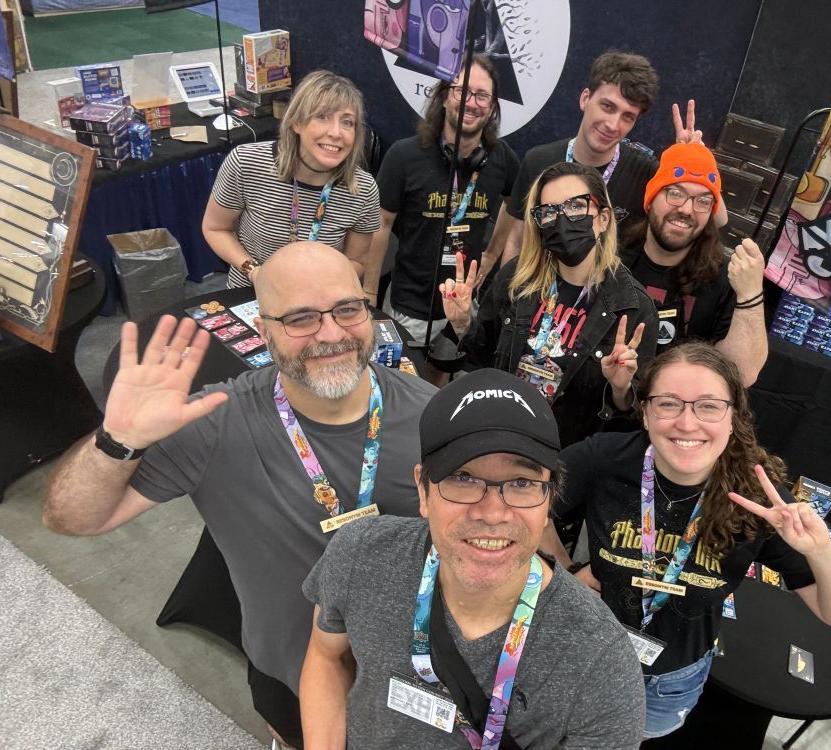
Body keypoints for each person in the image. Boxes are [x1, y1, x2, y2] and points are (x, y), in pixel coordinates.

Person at [42, 242, 436, 749]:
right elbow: (71, 518)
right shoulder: (214, 423)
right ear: (264, 332)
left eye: (347, 308)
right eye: (300, 318)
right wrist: (118, 439)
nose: (332, 333)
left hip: (415, 680)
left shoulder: (431, 412)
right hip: (287, 678)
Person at [299, 368, 646, 749]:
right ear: (422, 488)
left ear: (550, 499)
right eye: (463, 477)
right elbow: (326, 657)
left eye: (522, 483)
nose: (492, 513)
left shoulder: (601, 665)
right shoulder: (361, 554)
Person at [540, 342, 831, 740]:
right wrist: (563, 568)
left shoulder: (759, 498)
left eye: (709, 405)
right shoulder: (603, 459)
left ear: (733, 418)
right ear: (644, 412)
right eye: (668, 404)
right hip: (585, 653)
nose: (688, 423)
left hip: (670, 682)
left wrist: (820, 552)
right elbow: (526, 510)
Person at [440, 161, 658, 450]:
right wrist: (463, 322)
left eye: (576, 207)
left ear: (603, 218)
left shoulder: (633, 308)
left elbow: (632, 421)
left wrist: (620, 389)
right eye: (549, 211)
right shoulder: (517, 278)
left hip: (568, 454)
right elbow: (483, 358)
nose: (562, 219)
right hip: (502, 433)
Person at [363, 55, 519, 346]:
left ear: (493, 107)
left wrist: (493, 254)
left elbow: (514, 203)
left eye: (483, 95)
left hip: (462, 307)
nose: (472, 103)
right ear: (445, 97)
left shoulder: (503, 159)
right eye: (462, 91)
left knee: (449, 380)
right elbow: (380, 225)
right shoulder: (403, 156)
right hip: (410, 306)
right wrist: (370, 292)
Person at [202, 70, 381, 288]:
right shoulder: (246, 162)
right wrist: (254, 271)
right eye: (323, 116)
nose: (336, 133)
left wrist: (315, 283)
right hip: (250, 294)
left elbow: (357, 261)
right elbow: (216, 228)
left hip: (317, 302)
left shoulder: (363, 189)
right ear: (296, 123)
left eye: (347, 122)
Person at [491, 50, 660, 265]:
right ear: (585, 99)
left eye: (628, 117)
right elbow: (516, 241)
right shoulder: (538, 160)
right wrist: (509, 296)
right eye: (607, 107)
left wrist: (694, 160)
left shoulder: (645, 173)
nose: (613, 125)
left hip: (600, 297)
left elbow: (706, 225)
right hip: (538, 295)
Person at [622, 142, 768, 385]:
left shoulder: (725, 278)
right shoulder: (615, 258)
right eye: (676, 193)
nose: (687, 209)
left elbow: (742, 375)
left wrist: (751, 294)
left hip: (674, 410)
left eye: (703, 201)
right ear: (652, 197)